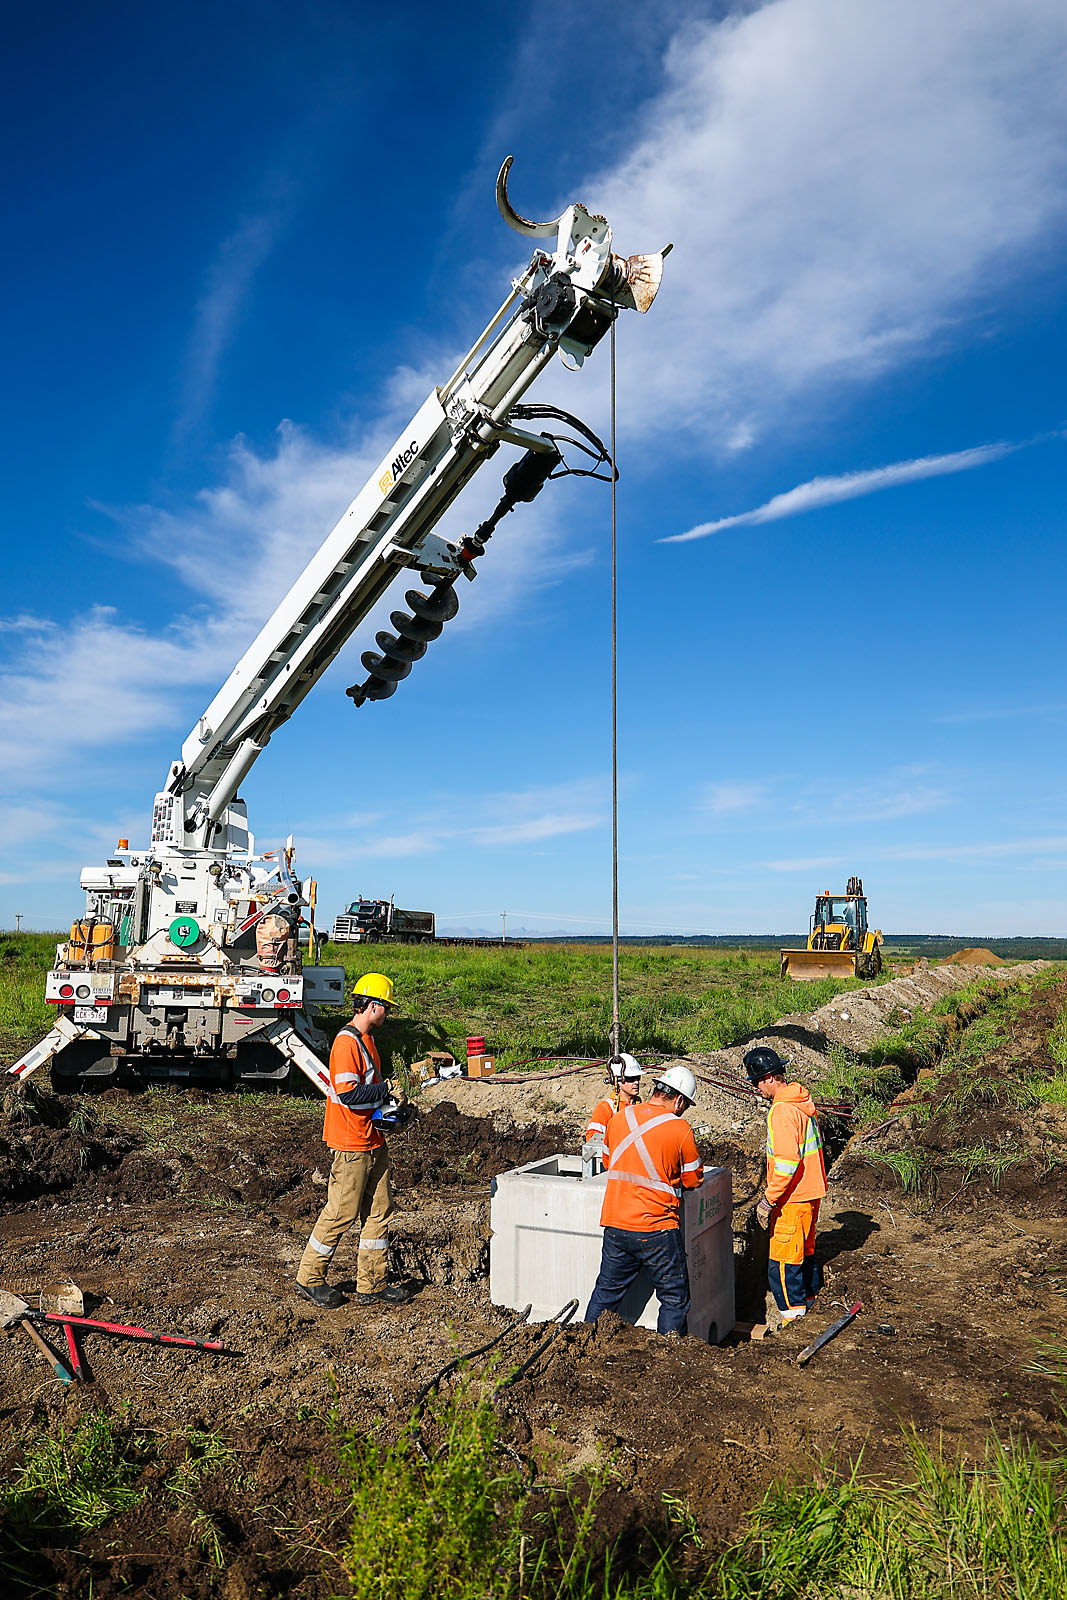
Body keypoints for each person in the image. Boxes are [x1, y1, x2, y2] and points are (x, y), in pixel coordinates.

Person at [295, 972, 412, 1309]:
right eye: (385, 1008)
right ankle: (310, 1277)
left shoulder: (367, 1041)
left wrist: (389, 1106)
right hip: (351, 1143)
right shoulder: (346, 1043)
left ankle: (371, 1285)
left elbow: (367, 1093)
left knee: (379, 1211)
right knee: (341, 1213)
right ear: (371, 1005)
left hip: (372, 1140)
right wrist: (386, 1089)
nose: (387, 1014)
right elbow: (348, 1095)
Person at [585, 1065, 704, 1336]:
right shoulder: (680, 1128)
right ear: (679, 1100)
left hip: (616, 1224)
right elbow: (693, 1180)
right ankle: (668, 1358)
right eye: (685, 1106)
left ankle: (585, 1342)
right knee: (674, 1298)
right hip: (657, 1229)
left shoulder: (619, 1119)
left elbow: (608, 1162)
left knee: (605, 1295)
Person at [744, 1046, 827, 1322]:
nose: (756, 1087)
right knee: (804, 1253)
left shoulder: (781, 1112)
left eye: (757, 1081)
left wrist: (768, 1200)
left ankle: (794, 1321)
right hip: (809, 1193)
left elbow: (787, 1164)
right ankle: (810, 1306)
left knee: (782, 1264)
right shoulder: (801, 1102)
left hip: (792, 1198)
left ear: (769, 1077)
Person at [584, 1053, 643, 1149]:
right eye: (631, 1079)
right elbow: (592, 1139)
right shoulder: (606, 1108)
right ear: (617, 1081)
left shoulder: (642, 1107)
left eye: (638, 1078)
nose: (636, 1082)